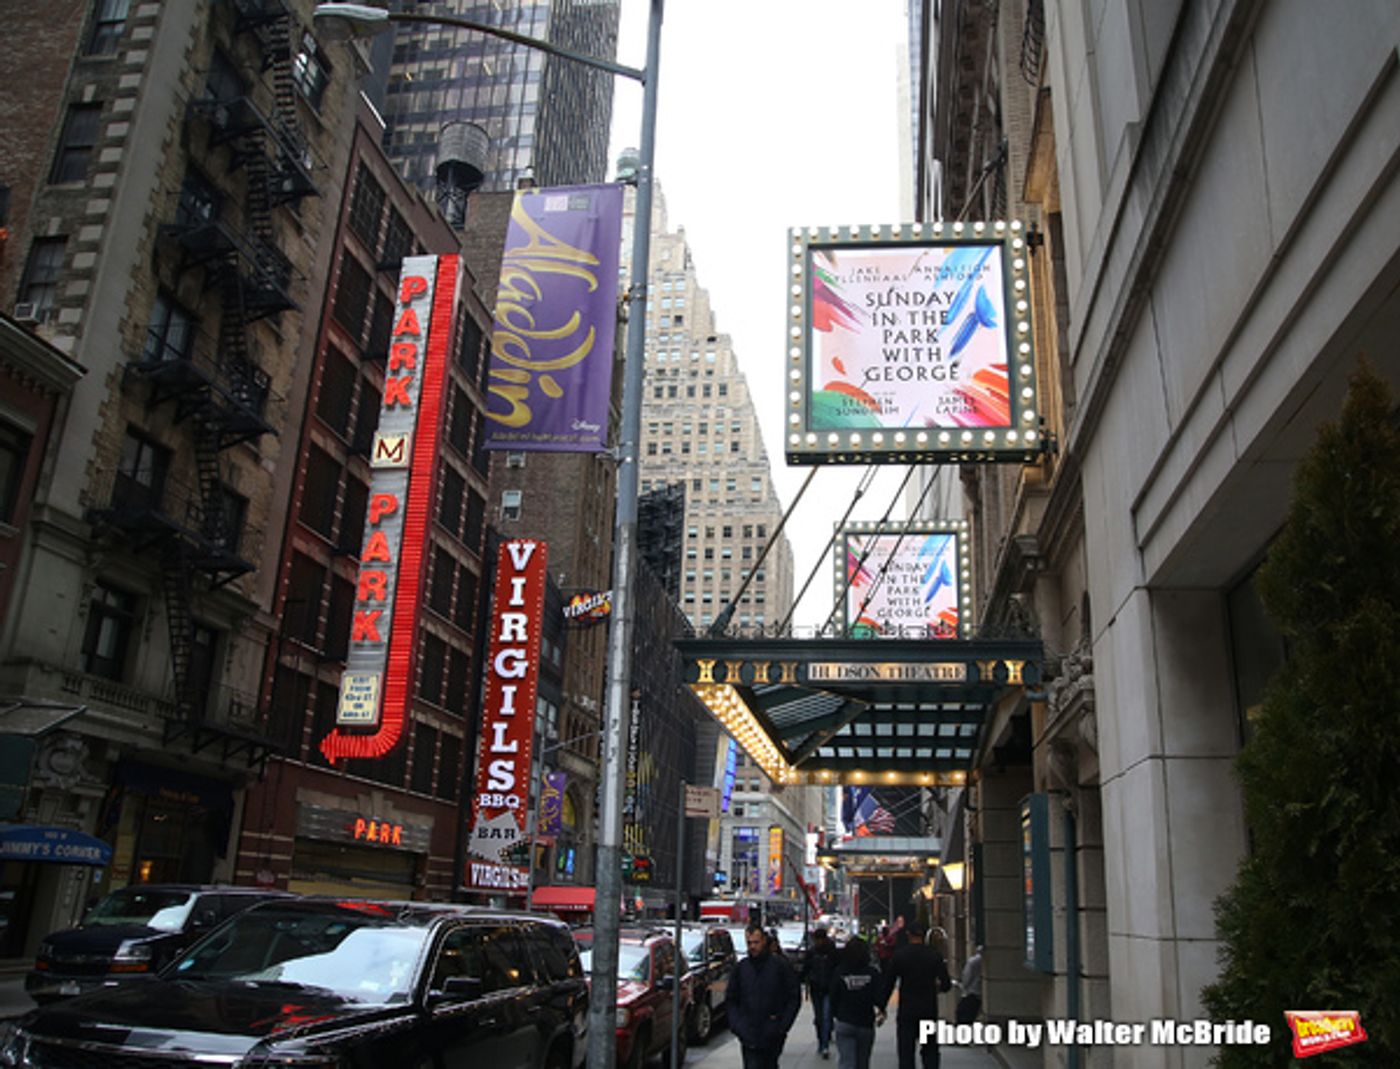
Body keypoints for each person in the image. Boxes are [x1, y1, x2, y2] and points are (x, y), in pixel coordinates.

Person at [879, 922, 952, 1069]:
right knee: (930, 1050)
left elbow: (889, 984)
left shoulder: (900, 956)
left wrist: (882, 1006)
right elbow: (946, 984)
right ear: (924, 936)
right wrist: (936, 988)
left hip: (907, 1011)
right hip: (928, 1009)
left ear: (908, 935)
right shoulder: (934, 956)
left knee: (906, 1052)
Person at [728, 921, 801, 1069]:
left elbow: (793, 996)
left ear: (764, 941)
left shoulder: (779, 966)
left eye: (756, 942)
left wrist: (782, 1026)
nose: (752, 946)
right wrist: (738, 1025)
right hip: (749, 1034)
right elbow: (731, 999)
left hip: (772, 1034)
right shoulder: (741, 968)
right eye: (749, 943)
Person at [829, 936, 885, 1069]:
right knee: (863, 1063)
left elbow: (833, 996)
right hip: (865, 1021)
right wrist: (881, 1010)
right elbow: (879, 997)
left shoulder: (840, 971)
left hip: (845, 1020)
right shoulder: (872, 973)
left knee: (846, 1062)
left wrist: (836, 1014)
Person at [801, 926, 840, 1057]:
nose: (818, 942)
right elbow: (806, 968)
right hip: (817, 988)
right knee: (820, 1017)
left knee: (825, 1016)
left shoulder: (830, 952)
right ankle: (822, 1040)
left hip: (826, 988)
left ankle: (824, 1044)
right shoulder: (814, 953)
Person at [955, 945, 983, 1024]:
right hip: (980, 994)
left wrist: (962, 986)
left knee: (963, 1015)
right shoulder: (984, 961)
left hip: (971, 993)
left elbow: (966, 978)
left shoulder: (972, 961)